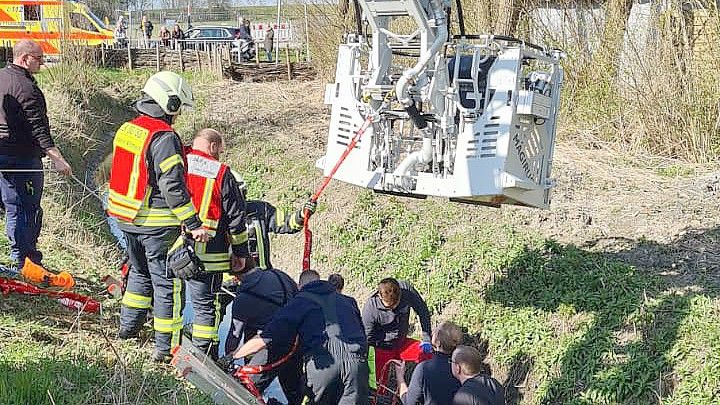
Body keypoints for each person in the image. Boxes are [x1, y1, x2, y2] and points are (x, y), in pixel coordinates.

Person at [108, 70, 207, 362]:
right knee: (167, 286)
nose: (178, 117)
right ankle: (166, 350)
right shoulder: (163, 137)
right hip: (156, 224)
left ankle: (127, 329)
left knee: (138, 274)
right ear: (170, 103)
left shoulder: (129, 128)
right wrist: (193, 223)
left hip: (126, 219)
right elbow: (173, 185)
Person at [233, 270, 370, 404]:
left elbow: (265, 339)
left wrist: (234, 356)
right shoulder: (349, 301)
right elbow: (363, 333)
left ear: (299, 286)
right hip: (357, 366)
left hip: (324, 365)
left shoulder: (299, 302)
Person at [0, 40, 73, 268]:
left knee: (11, 207)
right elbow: (38, 128)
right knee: (27, 210)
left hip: (3, 156)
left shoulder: (2, 77)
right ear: (24, 58)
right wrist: (58, 159)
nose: (42, 63)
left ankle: (18, 257)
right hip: (22, 158)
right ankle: (27, 261)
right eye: (38, 58)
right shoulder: (25, 88)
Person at [181, 128, 249, 359]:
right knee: (204, 308)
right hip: (209, 256)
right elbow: (236, 219)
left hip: (174, 248)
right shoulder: (221, 173)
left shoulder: (177, 159)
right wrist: (241, 254)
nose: (219, 155)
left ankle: (166, 342)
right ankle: (202, 355)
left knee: (168, 295)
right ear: (212, 146)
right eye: (219, 150)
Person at [224, 263, 302, 404]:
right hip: (299, 338)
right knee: (294, 389)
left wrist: (227, 361)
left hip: (276, 346)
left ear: (235, 277)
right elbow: (299, 296)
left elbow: (234, 336)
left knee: (247, 388)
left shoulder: (242, 300)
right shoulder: (279, 274)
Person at [233, 173, 315, 270]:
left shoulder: (261, 210)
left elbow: (288, 223)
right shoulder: (217, 219)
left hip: (263, 277)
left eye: (242, 193)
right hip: (230, 281)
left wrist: (302, 214)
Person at [362, 278, 433, 385]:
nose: (394, 308)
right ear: (380, 296)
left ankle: (425, 387)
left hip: (403, 343)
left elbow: (423, 311)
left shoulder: (406, 290)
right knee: (378, 385)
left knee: (431, 357)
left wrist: (427, 338)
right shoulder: (371, 308)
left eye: (397, 304)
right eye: (390, 306)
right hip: (381, 348)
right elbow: (367, 337)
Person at [395, 321, 463, 405]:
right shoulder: (464, 368)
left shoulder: (423, 368)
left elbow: (408, 401)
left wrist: (400, 377)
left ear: (438, 343)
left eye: (435, 331)